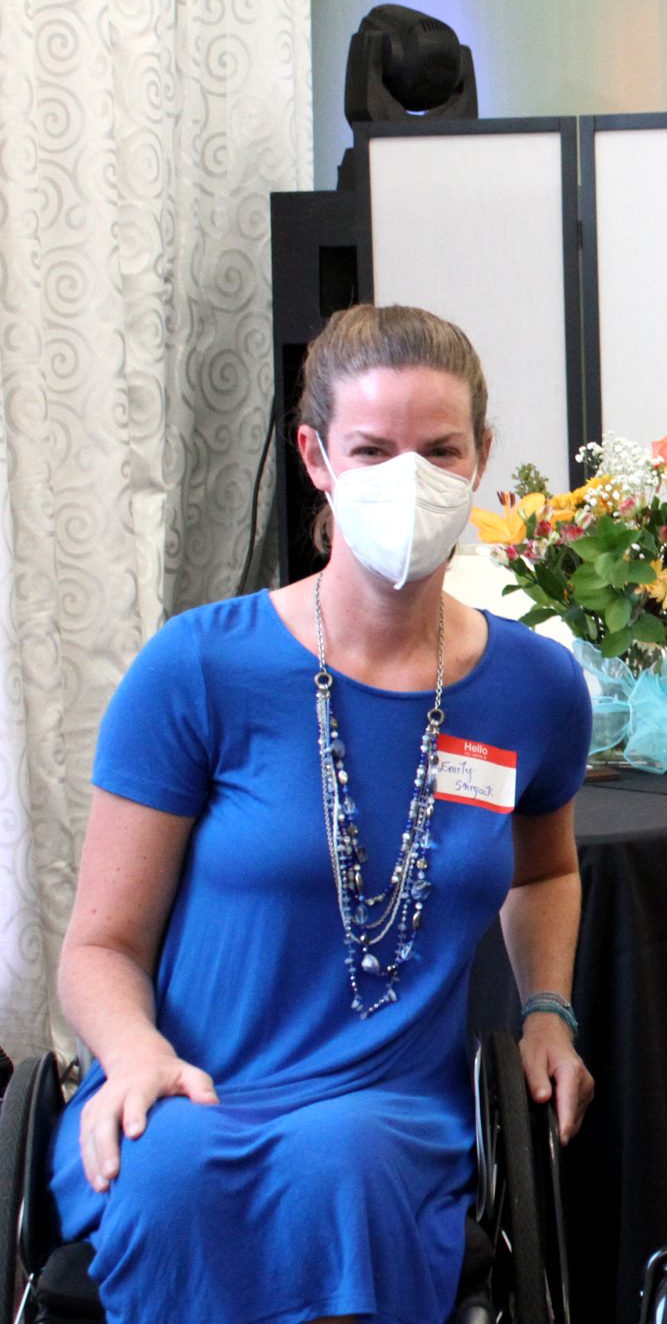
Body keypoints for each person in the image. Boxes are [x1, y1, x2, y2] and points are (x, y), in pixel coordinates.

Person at [50, 305, 596, 1323]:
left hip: (389, 1110)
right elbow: (99, 944)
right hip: (191, 1086)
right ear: (315, 456)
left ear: (481, 456)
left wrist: (547, 1009)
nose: (411, 478)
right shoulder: (201, 668)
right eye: (372, 449)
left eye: (439, 449)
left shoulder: (537, 687)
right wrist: (134, 1052)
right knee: (173, 1182)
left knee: (345, 1166)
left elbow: (544, 870)